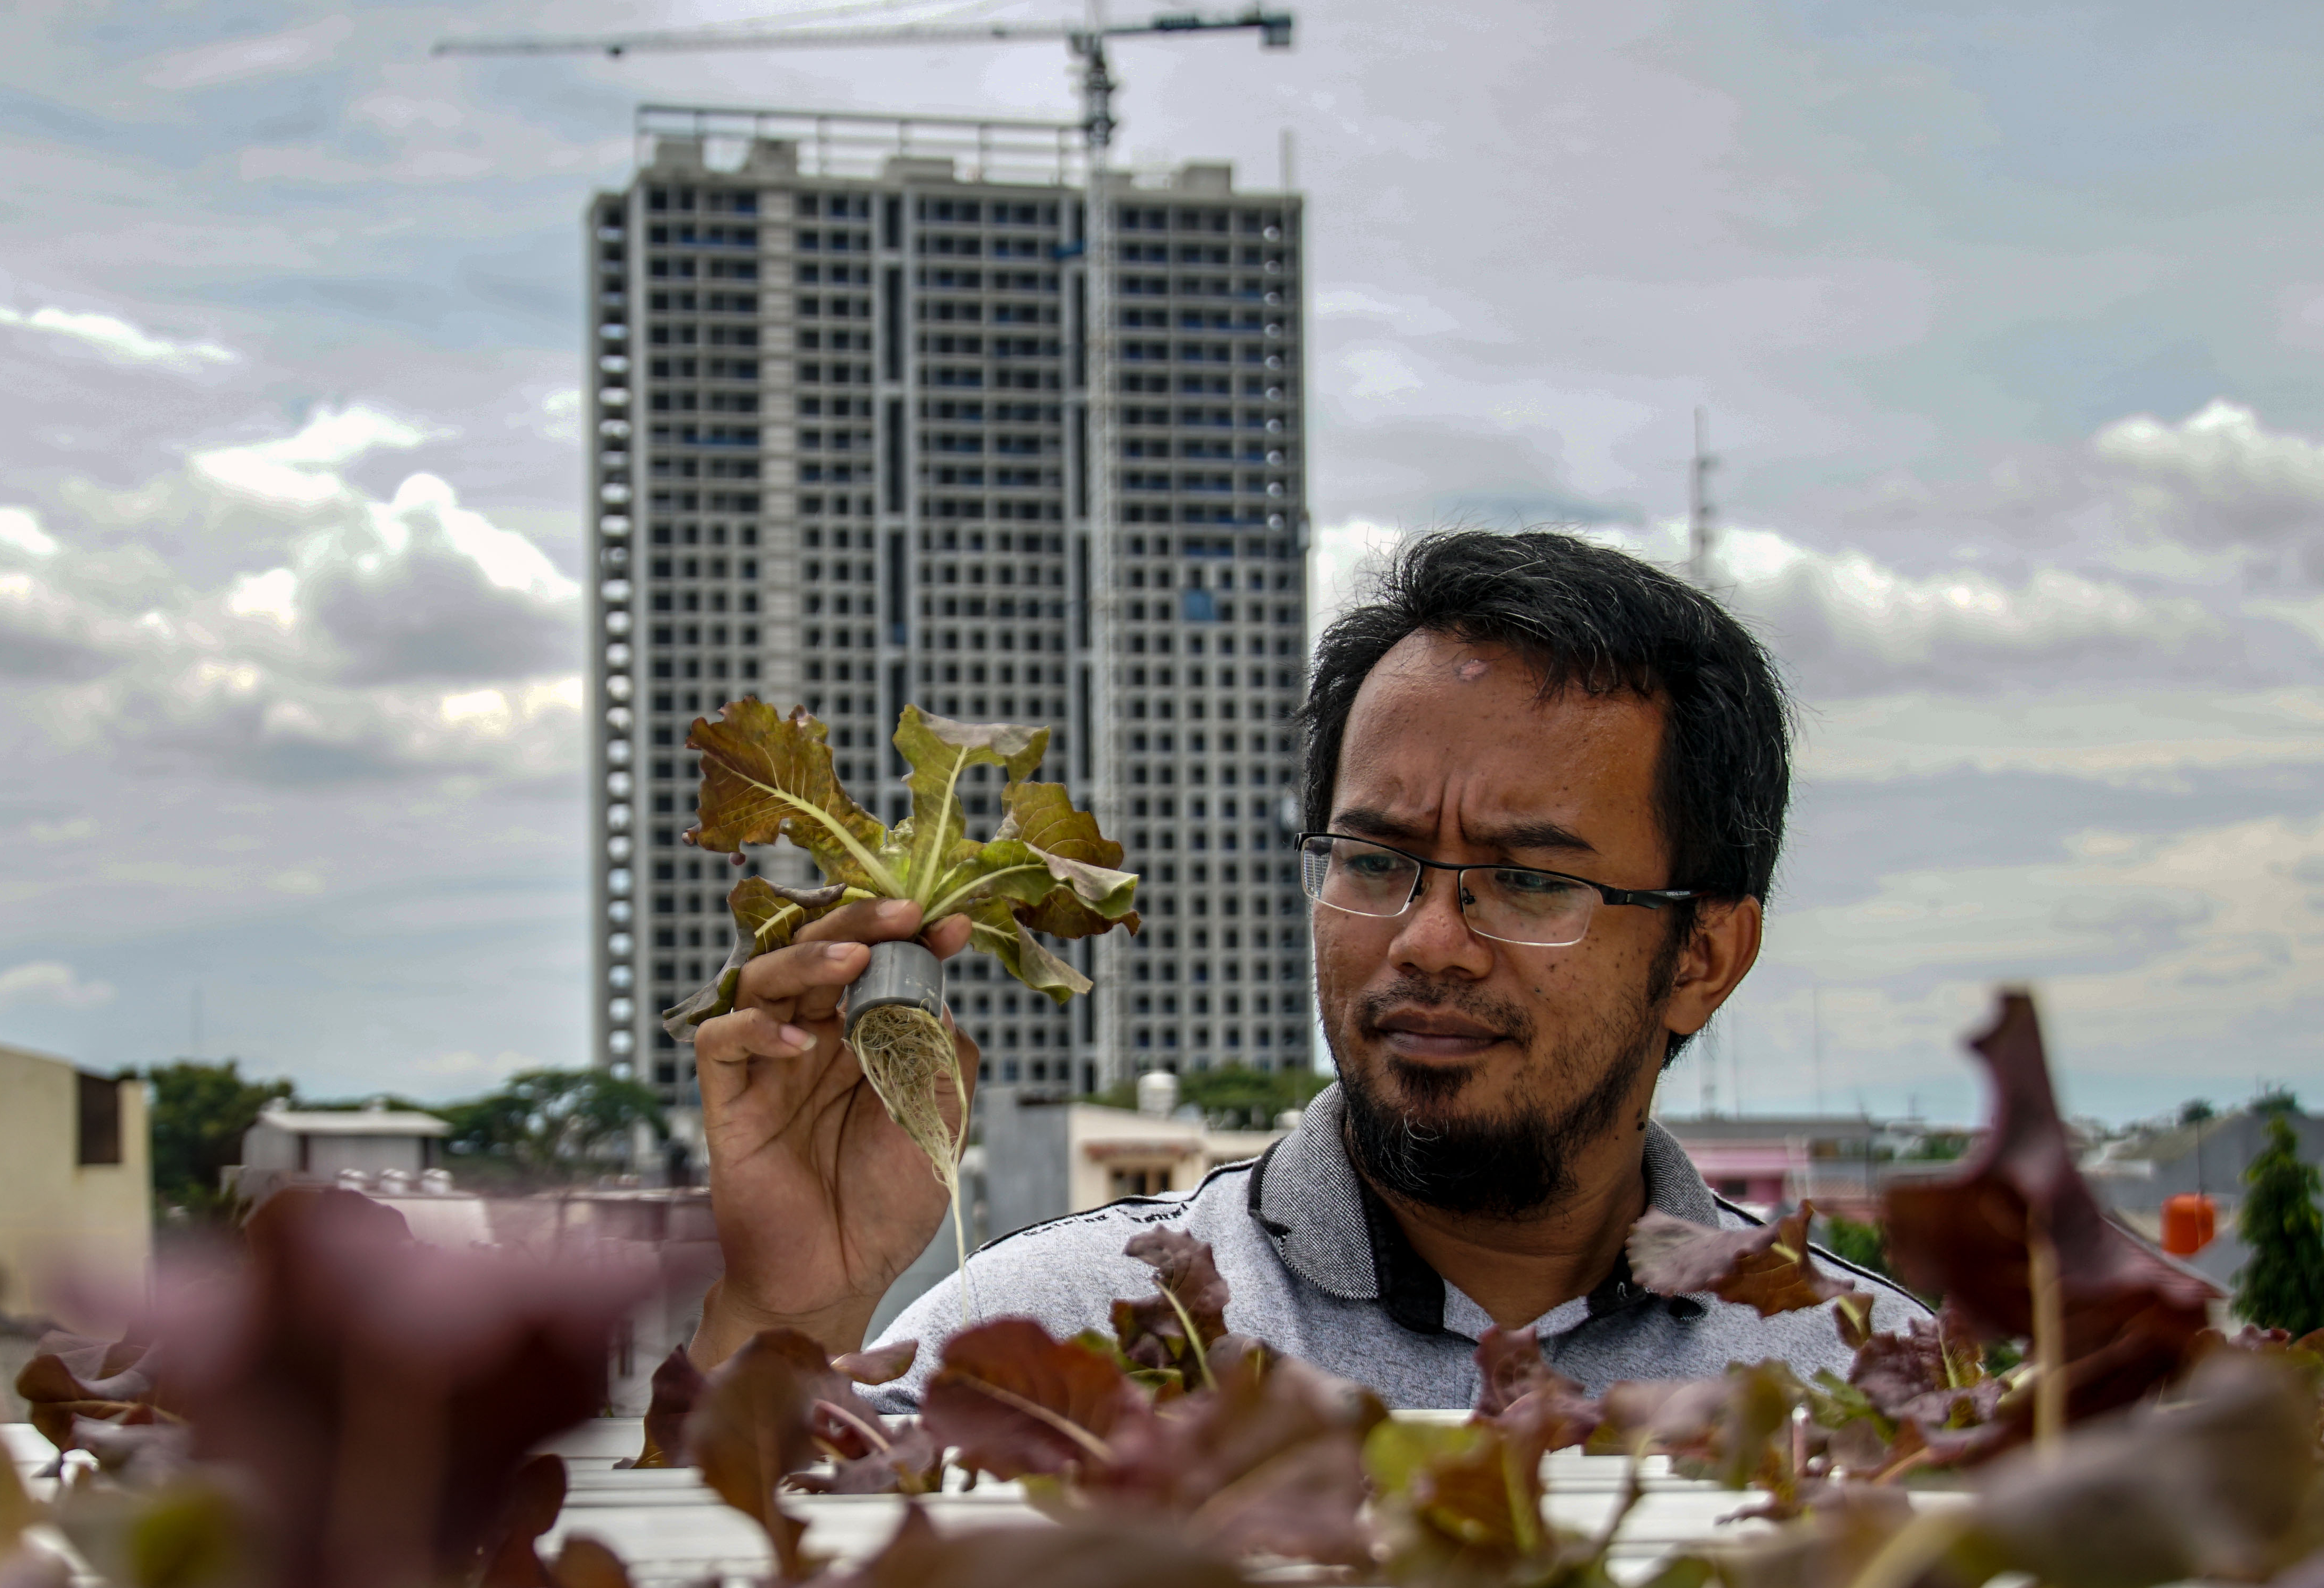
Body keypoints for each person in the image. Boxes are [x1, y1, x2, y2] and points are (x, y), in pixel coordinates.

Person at [682, 529, 1924, 1407]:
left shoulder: (1863, 1374)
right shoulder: (1054, 1331)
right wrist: (788, 1309)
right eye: (1375, 860)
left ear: (1704, 954)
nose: (1427, 939)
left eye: (1529, 880)